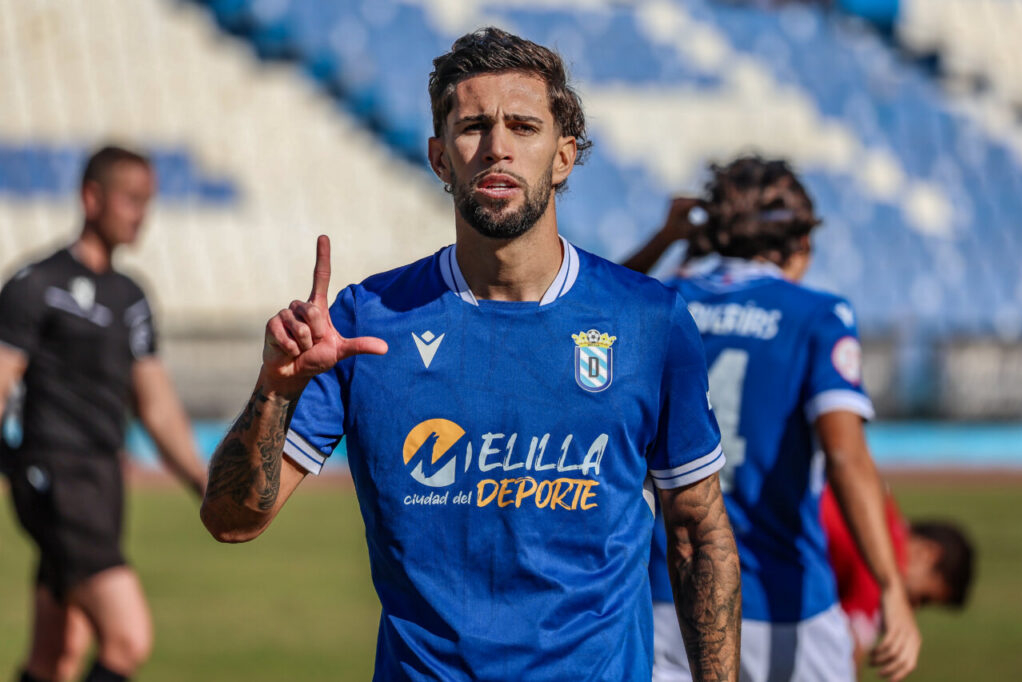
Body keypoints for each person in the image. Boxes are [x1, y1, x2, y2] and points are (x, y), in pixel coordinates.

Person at [200, 27, 741, 681]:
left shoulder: (650, 321)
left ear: (563, 156)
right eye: (473, 126)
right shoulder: (364, 322)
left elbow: (695, 529)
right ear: (439, 157)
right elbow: (232, 521)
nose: (497, 148)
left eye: (523, 126)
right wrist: (274, 389)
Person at [625, 156, 920, 682]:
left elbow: (596, 306)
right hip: (787, 605)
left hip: (667, 600)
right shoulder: (818, 315)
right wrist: (891, 587)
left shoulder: (661, 301)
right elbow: (847, 456)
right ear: (801, 242)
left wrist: (663, 237)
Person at [0, 145, 207, 682]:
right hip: (53, 478)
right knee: (127, 637)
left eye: (148, 201)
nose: (142, 213)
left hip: (103, 482)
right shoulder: (34, 285)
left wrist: (205, 483)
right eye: (131, 199)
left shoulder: (131, 297)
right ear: (92, 197)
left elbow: (156, 404)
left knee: (57, 655)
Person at [821, 484, 975, 668]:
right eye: (922, 599)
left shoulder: (879, 498)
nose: (913, 608)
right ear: (927, 555)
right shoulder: (880, 572)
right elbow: (840, 664)